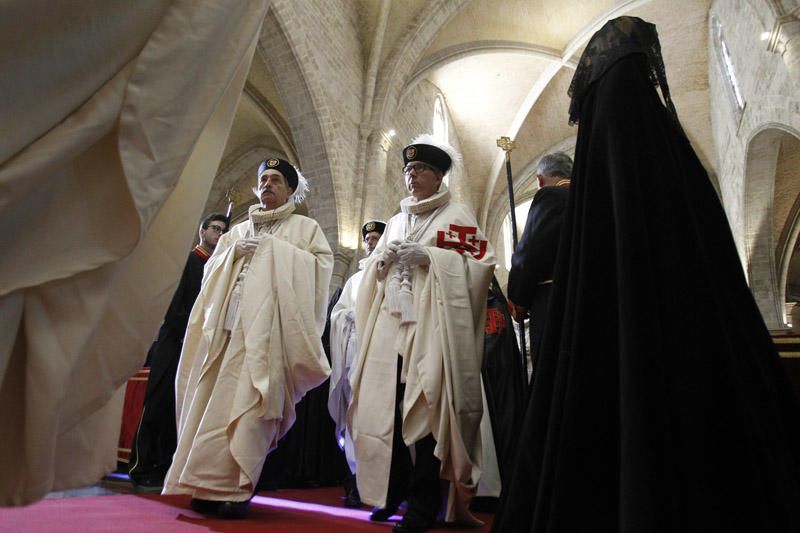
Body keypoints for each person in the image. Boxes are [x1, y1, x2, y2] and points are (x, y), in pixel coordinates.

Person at [492, 17, 800, 532]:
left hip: (599, 351)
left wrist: (522, 293)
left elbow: (550, 261)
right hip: (694, 357)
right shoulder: (674, 155)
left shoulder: (586, 171)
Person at [163, 158, 333, 519]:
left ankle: (236, 491)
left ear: (290, 189)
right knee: (210, 408)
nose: (268, 184)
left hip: (266, 337)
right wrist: (228, 258)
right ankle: (204, 485)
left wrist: (275, 252)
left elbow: (319, 271)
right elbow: (209, 275)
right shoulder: (238, 231)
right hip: (226, 332)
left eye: (276, 180)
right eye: (263, 179)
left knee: (251, 410)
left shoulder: (305, 229)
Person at [349, 135, 496, 533]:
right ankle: (393, 491)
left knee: (428, 411)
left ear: (438, 176)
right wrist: (382, 264)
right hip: (391, 327)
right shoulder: (397, 220)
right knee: (388, 411)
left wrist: (431, 257)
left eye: (421, 170)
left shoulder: (456, 214)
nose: (412, 177)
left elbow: (481, 265)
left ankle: (425, 504)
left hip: (432, 329)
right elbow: (373, 272)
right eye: (408, 171)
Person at [128, 214, 228, 489]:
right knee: (157, 405)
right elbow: (173, 305)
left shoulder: (217, 269)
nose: (219, 235)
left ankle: (164, 465)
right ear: (202, 231)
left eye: (223, 231)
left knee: (180, 407)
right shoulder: (189, 261)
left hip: (197, 348)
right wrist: (190, 330)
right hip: (175, 343)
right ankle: (141, 466)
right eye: (215, 229)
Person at [328, 219, 386, 507]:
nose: (371, 242)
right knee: (352, 413)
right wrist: (346, 318)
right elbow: (336, 315)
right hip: (352, 350)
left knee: (376, 414)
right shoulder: (353, 280)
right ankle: (354, 479)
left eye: (376, 237)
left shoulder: (387, 274)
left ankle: (380, 481)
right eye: (368, 239)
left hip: (377, 355)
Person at [506, 153, 571, 365]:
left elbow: (531, 252)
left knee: (552, 370)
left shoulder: (550, 196)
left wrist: (519, 299)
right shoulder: (596, 195)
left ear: (539, 180)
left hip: (554, 300)